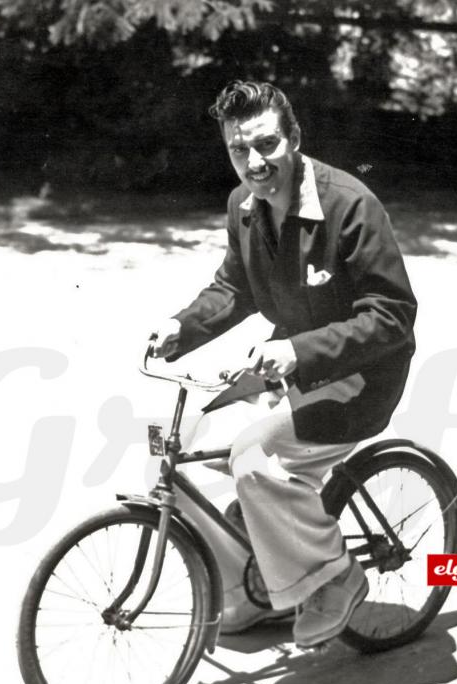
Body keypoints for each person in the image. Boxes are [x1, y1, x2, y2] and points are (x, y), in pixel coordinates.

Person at [148, 80, 417, 648]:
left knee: (254, 459)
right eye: (238, 150)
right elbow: (234, 286)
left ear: (294, 138)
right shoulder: (242, 206)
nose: (254, 162)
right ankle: (251, 593)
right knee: (182, 458)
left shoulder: (349, 204)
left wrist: (296, 351)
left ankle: (335, 577)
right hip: (288, 365)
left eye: (266, 145)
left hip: (362, 375)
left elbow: (393, 316)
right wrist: (181, 326)